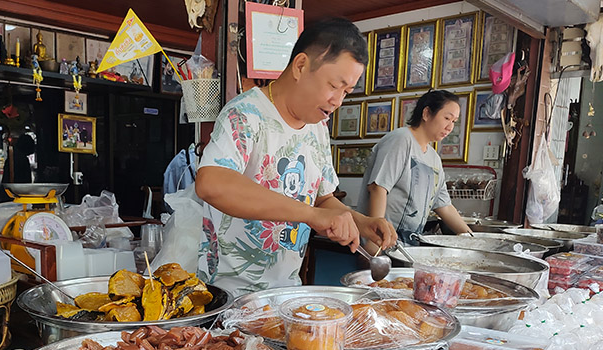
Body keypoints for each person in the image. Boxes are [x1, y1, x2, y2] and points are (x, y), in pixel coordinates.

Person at [195, 18, 397, 295]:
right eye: (334, 85)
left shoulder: (317, 127)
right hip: (229, 293)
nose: (338, 101)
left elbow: (323, 199)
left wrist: (361, 223)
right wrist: (311, 215)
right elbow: (211, 183)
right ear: (301, 66)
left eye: (346, 92)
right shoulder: (245, 114)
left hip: (286, 291)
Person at [357, 90, 472, 246]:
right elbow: (378, 188)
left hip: (406, 247)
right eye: (447, 118)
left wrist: (471, 238)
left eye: (454, 121)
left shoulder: (434, 159)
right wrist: (373, 242)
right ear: (426, 113)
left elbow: (444, 206)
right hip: (381, 244)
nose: (450, 127)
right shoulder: (401, 139)